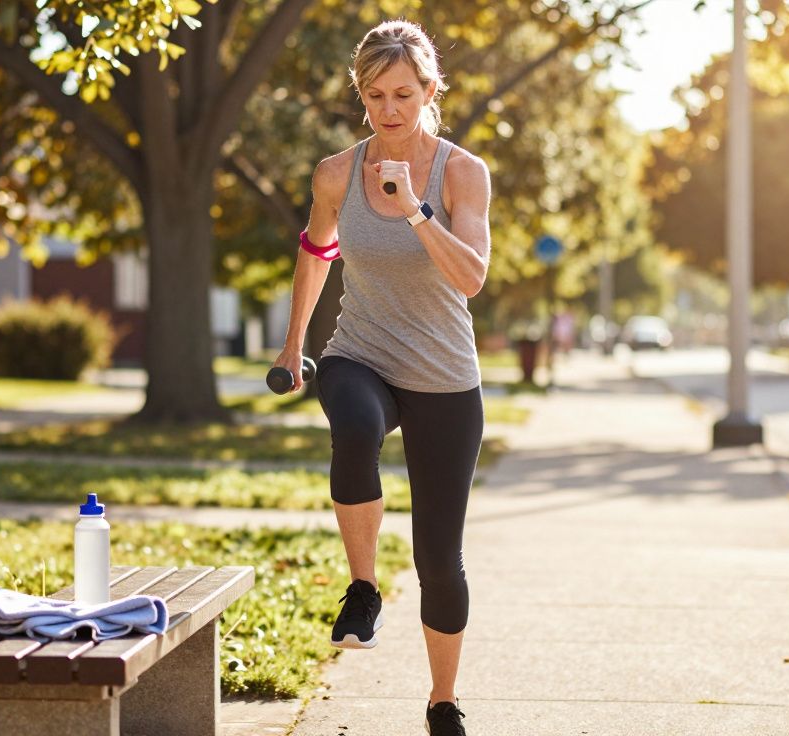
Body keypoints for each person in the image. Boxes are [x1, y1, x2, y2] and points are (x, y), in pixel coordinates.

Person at [272, 19, 491, 736]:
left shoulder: (461, 173)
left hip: (443, 377)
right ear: (360, 95)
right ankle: (362, 587)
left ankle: (442, 700)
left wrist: (415, 211)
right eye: (375, 95)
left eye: (403, 93)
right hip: (359, 352)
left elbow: (472, 278)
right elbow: (316, 250)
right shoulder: (337, 172)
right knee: (355, 427)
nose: (389, 109)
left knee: (439, 558)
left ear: (429, 91)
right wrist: (292, 342)